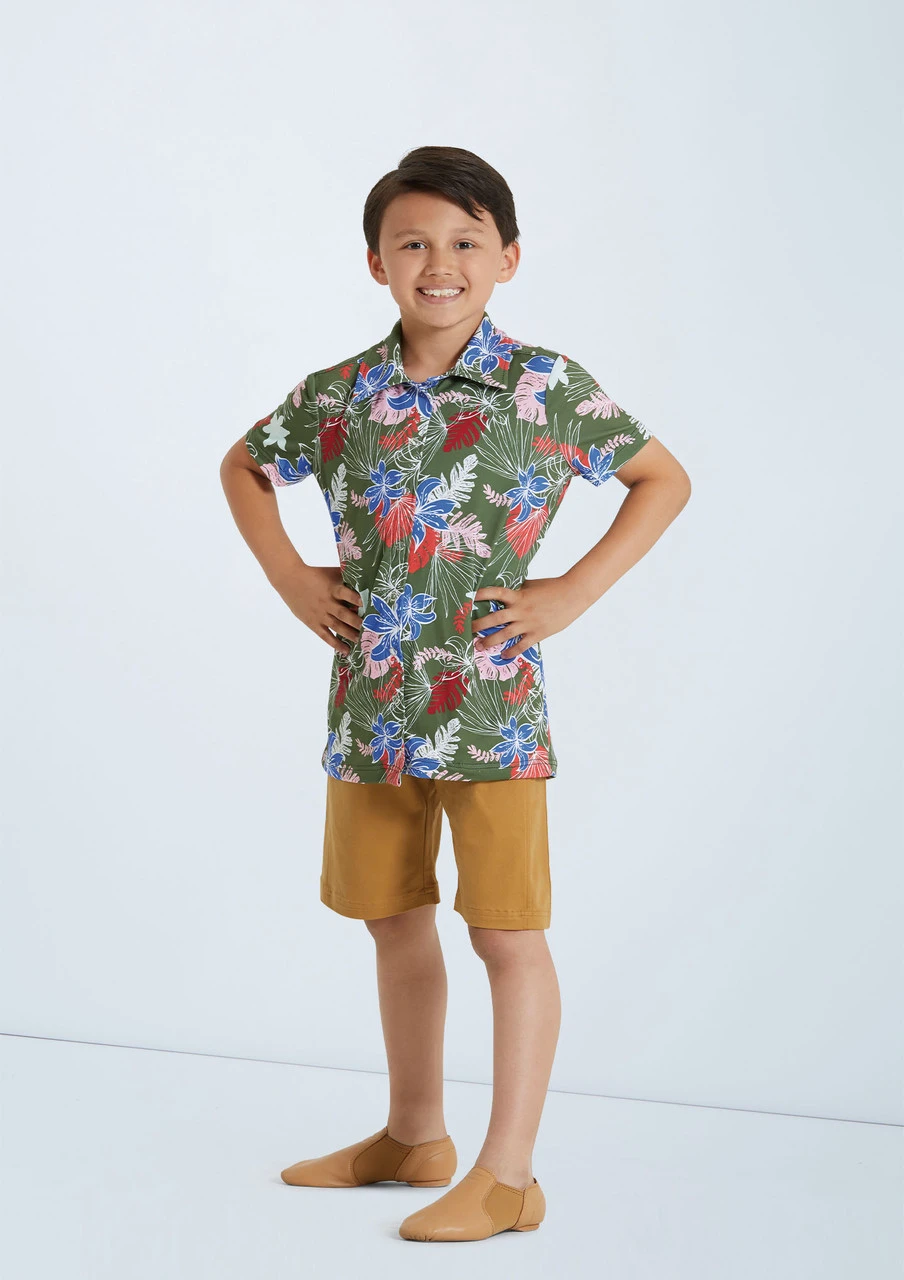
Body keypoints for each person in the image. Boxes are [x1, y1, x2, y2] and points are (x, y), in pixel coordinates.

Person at [220, 145, 691, 1243]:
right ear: (376, 262)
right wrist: (292, 578)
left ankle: (509, 1174)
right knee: (392, 918)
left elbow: (660, 477)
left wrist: (570, 591)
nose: (440, 263)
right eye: (414, 243)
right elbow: (242, 465)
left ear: (507, 257)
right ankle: (413, 1133)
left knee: (507, 933)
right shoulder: (338, 394)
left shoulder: (545, 386)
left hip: (490, 712)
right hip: (371, 708)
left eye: (466, 241)